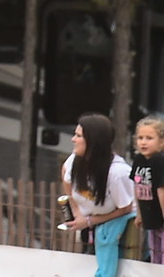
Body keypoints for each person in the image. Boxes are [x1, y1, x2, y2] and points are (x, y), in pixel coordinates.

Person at [63, 112, 140, 276]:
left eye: (78, 135)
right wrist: (77, 212)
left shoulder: (118, 173)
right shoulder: (74, 160)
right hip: (87, 224)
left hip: (117, 227)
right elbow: (66, 178)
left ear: (93, 141)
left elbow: (125, 208)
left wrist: (90, 221)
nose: (73, 139)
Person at [130, 115, 164, 265]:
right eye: (140, 138)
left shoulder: (160, 160)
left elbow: (161, 190)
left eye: (149, 138)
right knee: (154, 254)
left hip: (161, 217)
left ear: (161, 141)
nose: (143, 142)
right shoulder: (139, 160)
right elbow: (137, 187)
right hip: (150, 217)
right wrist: (139, 213)